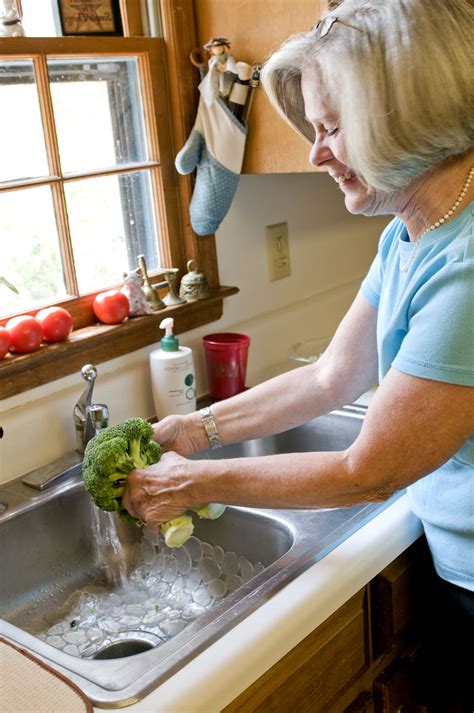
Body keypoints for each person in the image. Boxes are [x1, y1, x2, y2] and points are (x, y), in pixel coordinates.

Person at [124, 0, 473, 706]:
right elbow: (330, 376)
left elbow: (369, 469)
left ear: (404, 117)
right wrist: (197, 430)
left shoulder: (466, 262)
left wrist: (196, 483)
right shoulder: (412, 226)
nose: (315, 153)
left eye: (333, 128)